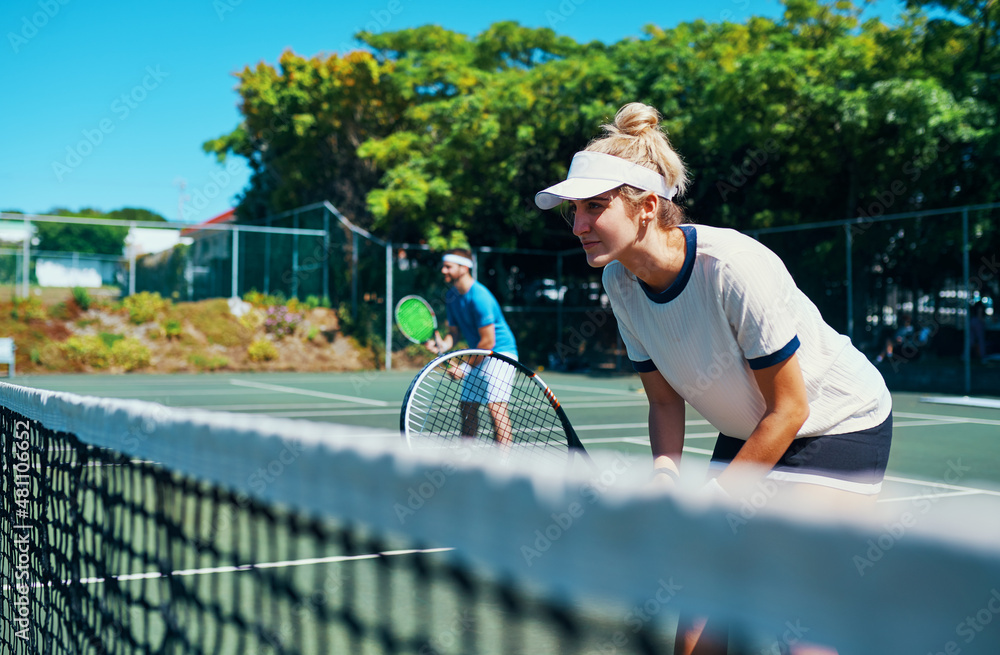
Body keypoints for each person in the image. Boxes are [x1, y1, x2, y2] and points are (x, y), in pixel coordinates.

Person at [535, 102, 893, 655]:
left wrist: (716, 496)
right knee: (700, 622)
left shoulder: (730, 267)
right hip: (752, 426)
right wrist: (663, 472)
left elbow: (791, 409)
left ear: (647, 206)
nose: (579, 225)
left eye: (594, 208)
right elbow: (664, 402)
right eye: (573, 211)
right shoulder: (620, 284)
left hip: (837, 424)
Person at [425, 249, 519, 445]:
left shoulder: (479, 297)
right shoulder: (452, 296)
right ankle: (465, 463)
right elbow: (454, 333)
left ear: (464, 267)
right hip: (480, 354)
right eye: (443, 266)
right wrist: (442, 344)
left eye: (448, 267)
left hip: (500, 353)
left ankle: (503, 466)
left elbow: (488, 342)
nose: (443, 271)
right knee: (467, 407)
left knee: (496, 409)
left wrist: (465, 368)